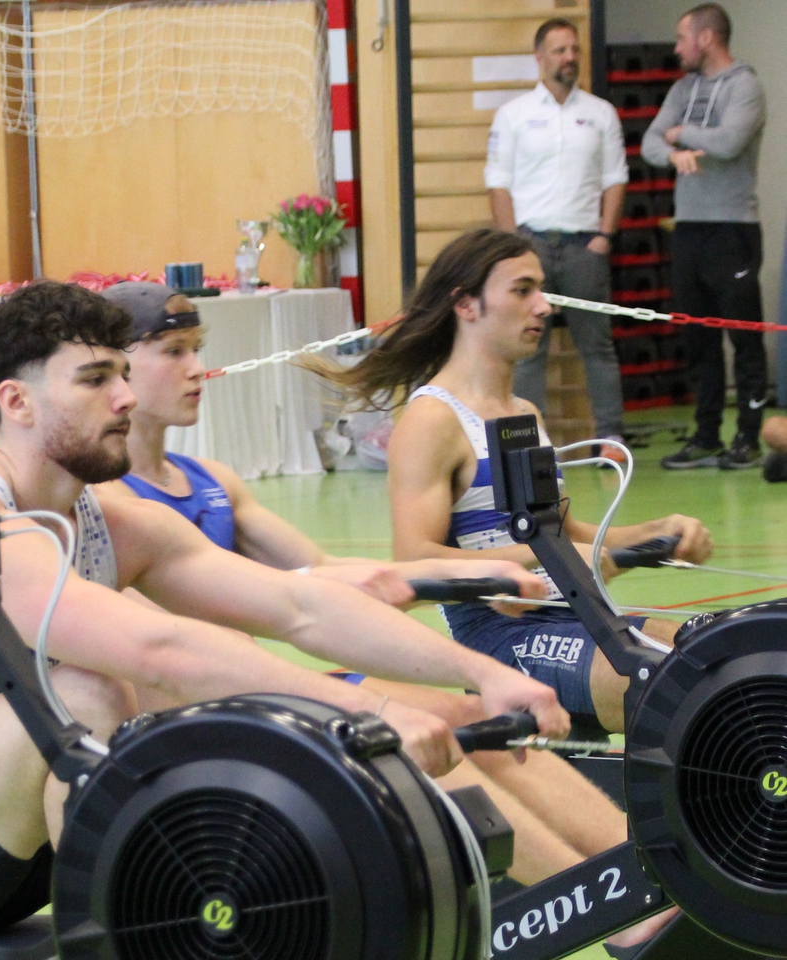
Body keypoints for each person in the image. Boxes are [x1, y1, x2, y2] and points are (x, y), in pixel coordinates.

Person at [0, 280, 569, 942]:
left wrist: (481, 672)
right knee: (96, 688)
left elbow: (300, 605)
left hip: (6, 847)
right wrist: (366, 712)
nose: (125, 398)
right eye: (95, 379)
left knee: (156, 699)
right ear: (17, 402)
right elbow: (161, 651)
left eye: (122, 374)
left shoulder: (110, 522)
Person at [95, 279, 637, 889]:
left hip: (268, 695)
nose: (198, 368)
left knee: (475, 715)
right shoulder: (109, 506)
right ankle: (598, 901)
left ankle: (639, 877)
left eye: (197, 349)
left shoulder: (211, 480)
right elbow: (178, 645)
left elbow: (326, 573)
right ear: (119, 366)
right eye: (174, 352)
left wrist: (477, 572)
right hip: (200, 717)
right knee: (415, 743)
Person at [307, 229, 713, 734]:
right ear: (466, 305)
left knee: (718, 660)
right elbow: (412, 562)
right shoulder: (432, 419)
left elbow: (562, 534)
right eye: (523, 290)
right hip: (501, 638)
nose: (544, 306)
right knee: (680, 690)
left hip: (579, 617)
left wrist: (658, 532)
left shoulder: (524, 413)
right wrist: (538, 560)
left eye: (540, 290)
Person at [484, 17, 627, 462]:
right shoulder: (513, 115)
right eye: (559, 50)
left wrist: (604, 236)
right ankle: (531, 444)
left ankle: (611, 438)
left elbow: (615, 178)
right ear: (539, 57)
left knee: (597, 345)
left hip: (586, 245)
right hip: (532, 246)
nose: (569, 57)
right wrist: (514, 249)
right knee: (528, 348)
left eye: (574, 50)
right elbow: (498, 183)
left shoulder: (601, 113)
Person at [642, 3, 767, 470]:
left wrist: (682, 133)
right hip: (689, 229)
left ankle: (748, 437)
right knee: (698, 337)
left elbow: (730, 142)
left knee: (744, 338)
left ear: (707, 37)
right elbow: (651, 142)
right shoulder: (682, 89)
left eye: (682, 38)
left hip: (732, 229)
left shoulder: (745, 86)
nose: (677, 48)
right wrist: (673, 153)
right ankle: (707, 435)